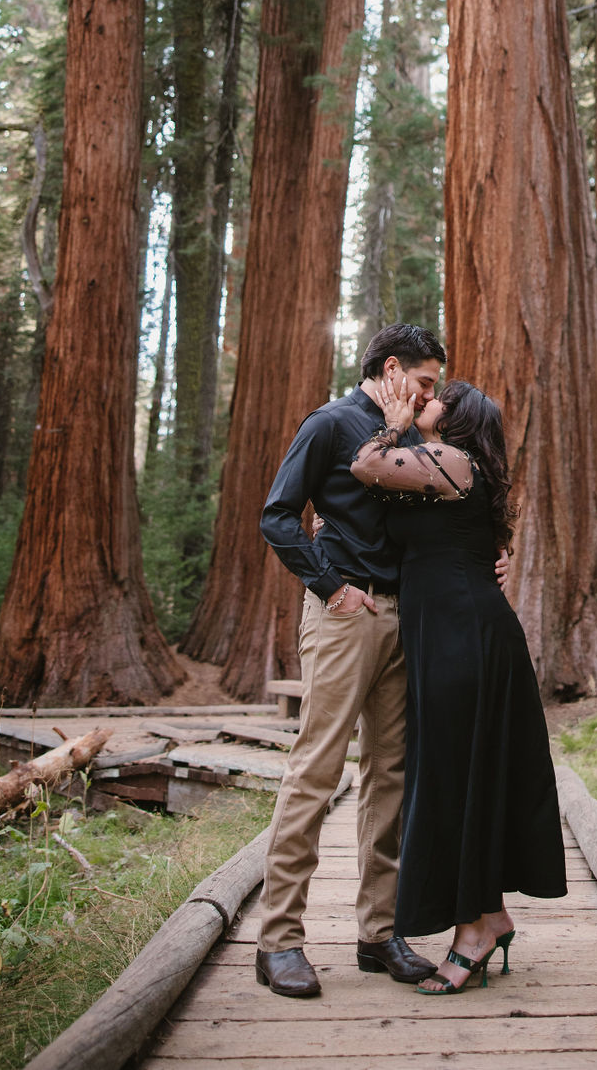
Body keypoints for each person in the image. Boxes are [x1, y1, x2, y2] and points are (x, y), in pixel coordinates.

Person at [254, 324, 454, 999]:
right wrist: (330, 586)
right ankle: (279, 939)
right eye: (425, 381)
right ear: (392, 367)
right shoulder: (331, 424)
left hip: (406, 616)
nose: (432, 394)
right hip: (345, 614)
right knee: (315, 770)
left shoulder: (414, 434)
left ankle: (379, 933)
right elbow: (279, 515)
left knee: (391, 774)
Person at [351, 373, 568, 994]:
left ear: (460, 419)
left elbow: (368, 464)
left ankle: (472, 932)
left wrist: (391, 422)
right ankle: (488, 914)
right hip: (446, 633)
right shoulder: (439, 465)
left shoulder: (450, 458)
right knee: (454, 774)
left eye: (438, 396)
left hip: (464, 638)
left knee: (454, 775)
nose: (426, 399)